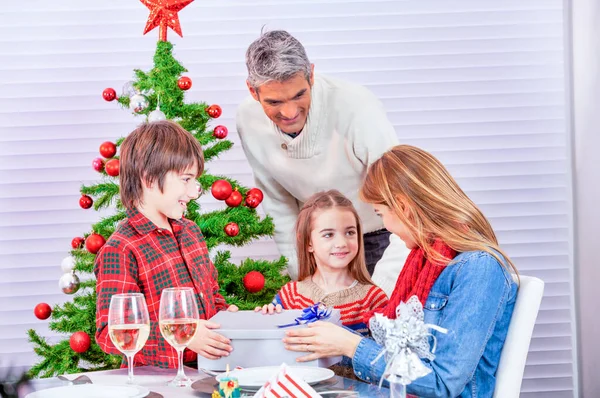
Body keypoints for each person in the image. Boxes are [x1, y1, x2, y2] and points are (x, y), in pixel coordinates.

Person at [281, 145, 518, 397]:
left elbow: (443, 384)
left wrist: (351, 345)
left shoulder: (478, 268)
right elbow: (395, 349)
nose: (385, 226)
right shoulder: (425, 262)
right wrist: (333, 339)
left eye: (381, 213)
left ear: (403, 208)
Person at [236, 29, 408, 294]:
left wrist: (382, 289)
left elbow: (403, 201)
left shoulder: (356, 106)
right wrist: (302, 277)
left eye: (298, 95)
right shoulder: (247, 119)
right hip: (317, 242)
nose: (290, 112)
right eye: (274, 102)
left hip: (381, 235)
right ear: (252, 90)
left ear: (311, 75)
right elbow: (277, 204)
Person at [94, 120, 237, 368]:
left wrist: (228, 318)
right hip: (156, 382)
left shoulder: (191, 232)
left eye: (195, 182)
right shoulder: (122, 248)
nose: (193, 192)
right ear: (149, 179)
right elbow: (110, 332)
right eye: (185, 179)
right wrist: (185, 334)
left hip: (204, 374)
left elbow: (211, 296)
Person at [255, 190, 388, 337]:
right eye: (328, 235)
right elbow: (274, 345)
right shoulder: (290, 295)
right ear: (308, 242)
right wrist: (269, 318)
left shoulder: (373, 298)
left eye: (350, 232)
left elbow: (382, 354)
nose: (341, 243)